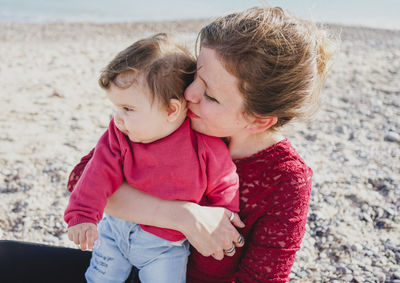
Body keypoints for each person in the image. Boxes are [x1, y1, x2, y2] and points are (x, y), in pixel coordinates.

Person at [0, 6, 335, 283]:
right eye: (195, 78)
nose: (189, 95)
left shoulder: (287, 180)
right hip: (115, 264)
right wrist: (184, 216)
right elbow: (82, 178)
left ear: (258, 121)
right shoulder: (180, 114)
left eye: (210, 95)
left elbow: (260, 279)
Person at [64, 33, 239, 283]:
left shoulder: (204, 145)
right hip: (115, 231)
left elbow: (225, 183)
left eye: (128, 109)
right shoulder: (119, 135)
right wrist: (82, 215)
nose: (118, 118)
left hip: (164, 246)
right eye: (116, 107)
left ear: (171, 109)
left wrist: (222, 220)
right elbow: (96, 172)